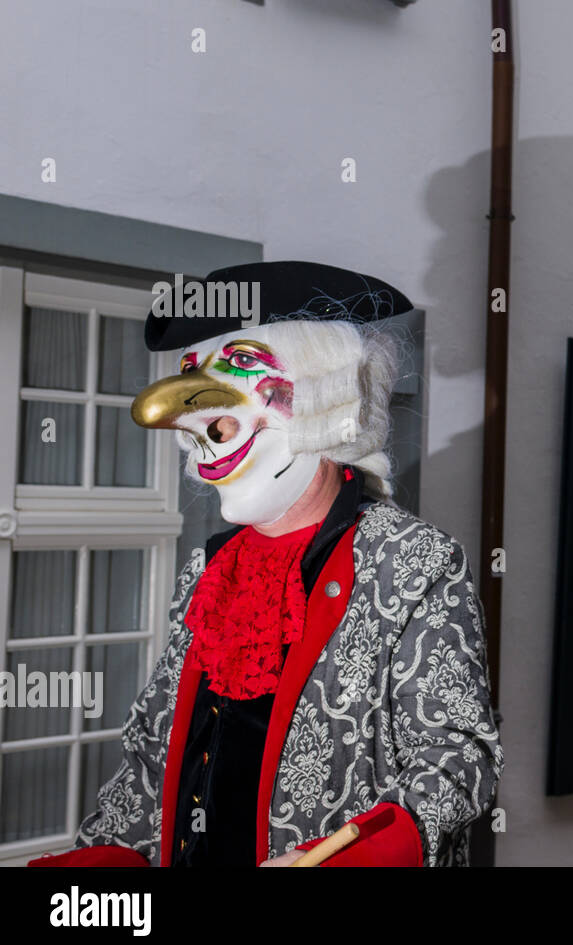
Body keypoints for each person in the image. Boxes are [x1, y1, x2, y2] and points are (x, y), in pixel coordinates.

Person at [30, 261, 501, 867]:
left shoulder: (413, 560)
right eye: (202, 411)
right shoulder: (212, 568)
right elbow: (154, 752)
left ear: (325, 397)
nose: (206, 431)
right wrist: (97, 868)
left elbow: (456, 762)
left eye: (242, 377)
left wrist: (342, 861)